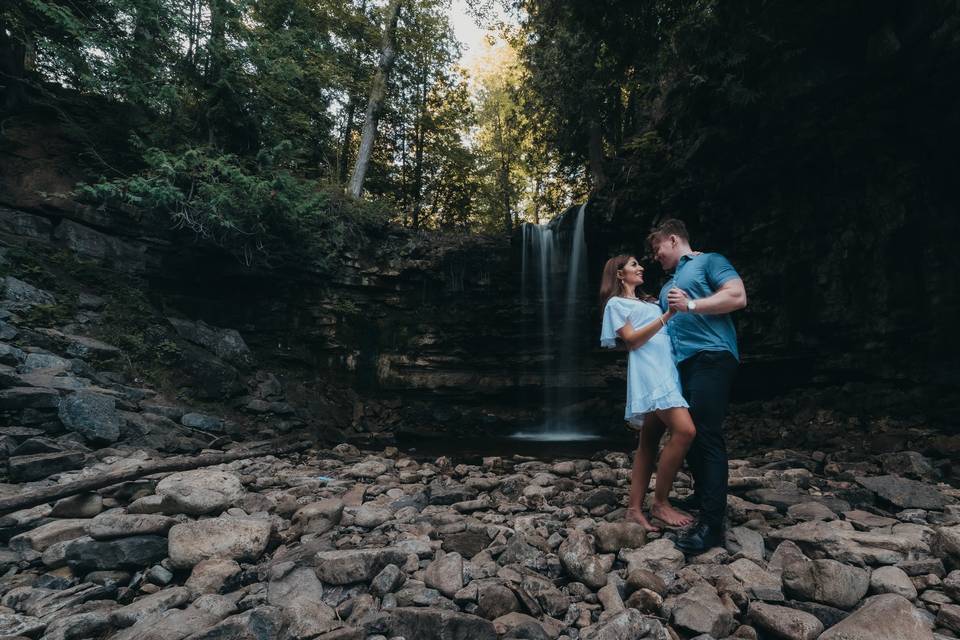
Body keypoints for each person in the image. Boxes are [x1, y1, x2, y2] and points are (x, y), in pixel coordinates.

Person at [649, 218, 747, 554]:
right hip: (680, 367)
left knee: (705, 433)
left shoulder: (709, 261)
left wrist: (691, 304)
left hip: (713, 355)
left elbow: (737, 296)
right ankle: (705, 494)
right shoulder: (666, 287)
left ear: (673, 240)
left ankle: (712, 525)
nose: (655, 256)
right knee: (686, 433)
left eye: (657, 248)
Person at [599, 254, 698, 532]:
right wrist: (667, 316)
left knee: (648, 444)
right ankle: (661, 503)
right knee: (685, 431)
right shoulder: (616, 304)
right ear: (619, 274)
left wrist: (693, 257)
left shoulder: (650, 301)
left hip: (668, 369)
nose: (640, 267)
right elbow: (631, 340)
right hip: (651, 374)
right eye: (633, 265)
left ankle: (633, 509)